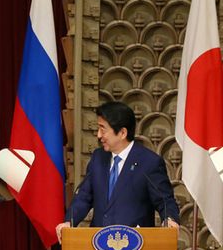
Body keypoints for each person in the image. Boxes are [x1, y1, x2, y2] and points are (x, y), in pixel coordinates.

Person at [56, 101, 179, 242]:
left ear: (122, 133)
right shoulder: (98, 158)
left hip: (136, 249)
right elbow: (84, 196)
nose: (98, 135)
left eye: (103, 129)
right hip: (98, 248)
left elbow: (165, 200)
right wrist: (69, 221)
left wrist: (169, 219)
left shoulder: (149, 162)